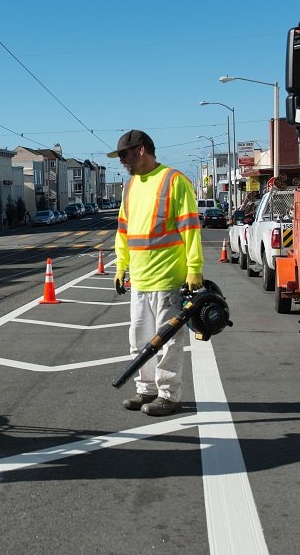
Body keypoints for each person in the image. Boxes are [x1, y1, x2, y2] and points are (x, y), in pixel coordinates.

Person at [108, 130, 204, 416]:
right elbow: (123, 232)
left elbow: (190, 228)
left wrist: (194, 268)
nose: (122, 161)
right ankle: (146, 390)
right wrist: (121, 265)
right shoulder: (130, 186)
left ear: (140, 150)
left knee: (169, 342)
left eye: (124, 155)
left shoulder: (174, 181)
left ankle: (169, 395)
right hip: (139, 279)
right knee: (139, 340)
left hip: (167, 279)